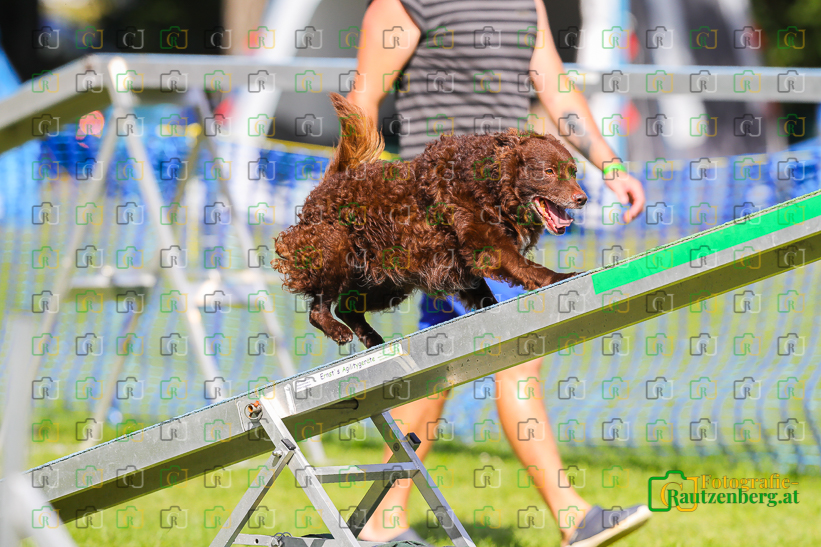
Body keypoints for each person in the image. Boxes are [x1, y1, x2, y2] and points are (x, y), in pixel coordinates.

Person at [346, 1, 649, 545]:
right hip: (444, 211)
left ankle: (382, 517)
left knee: (439, 362)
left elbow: (556, 88)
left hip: (506, 210)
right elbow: (362, 100)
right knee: (518, 350)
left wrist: (610, 163)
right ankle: (572, 516)